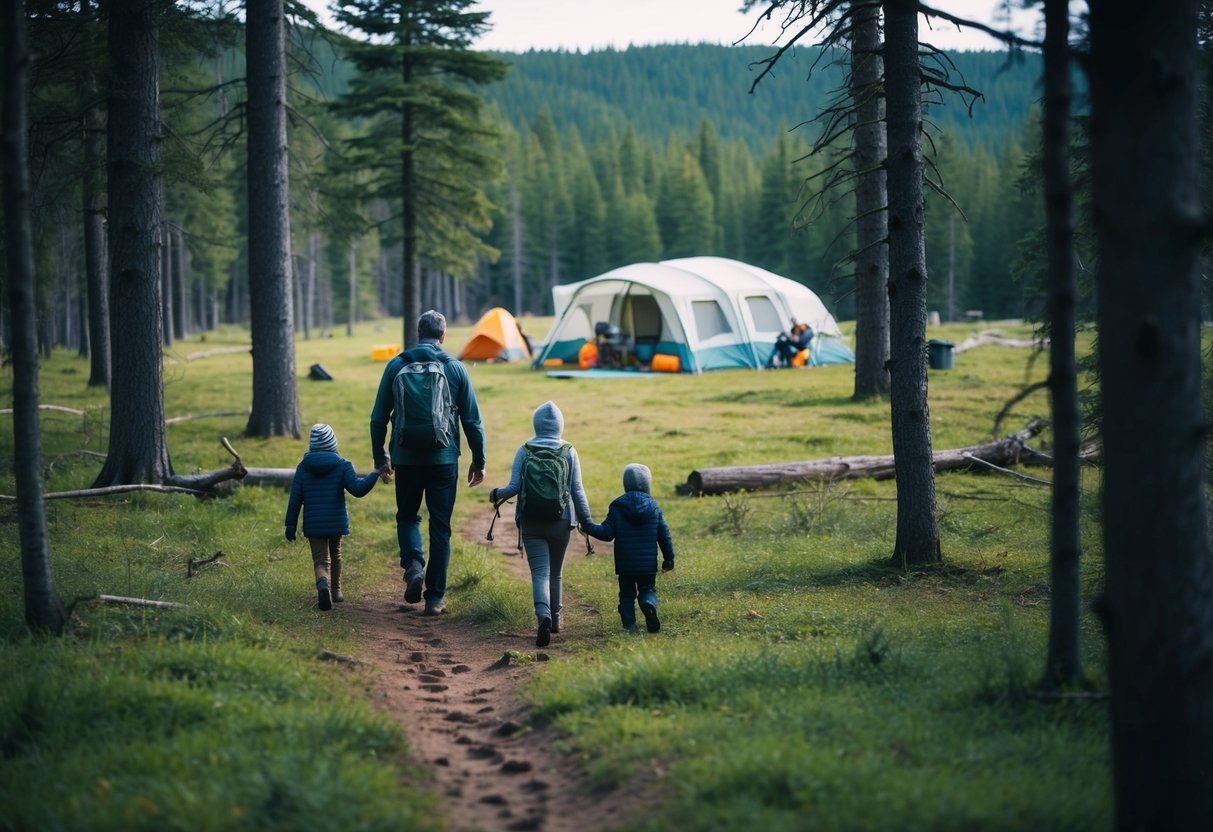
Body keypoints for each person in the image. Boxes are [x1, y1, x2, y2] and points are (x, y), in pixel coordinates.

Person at [371, 310, 487, 616]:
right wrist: (479, 460)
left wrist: (381, 456)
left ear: (417, 333)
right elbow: (473, 421)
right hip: (444, 459)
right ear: (443, 336)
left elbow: (377, 418)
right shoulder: (455, 368)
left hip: (405, 458)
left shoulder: (397, 365)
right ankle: (435, 598)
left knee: (408, 516)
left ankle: (413, 567)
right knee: (441, 527)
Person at [488, 401, 593, 647]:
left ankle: (542, 615)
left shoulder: (524, 449)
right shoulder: (569, 450)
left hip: (531, 520)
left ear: (536, 424)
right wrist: (586, 521)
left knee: (539, 573)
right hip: (561, 521)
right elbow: (577, 490)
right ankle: (555, 621)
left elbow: (513, 488)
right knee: (555, 573)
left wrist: (495, 493)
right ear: (560, 426)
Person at [285, 424, 380, 611]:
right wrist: (374, 474)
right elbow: (358, 489)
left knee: (321, 560)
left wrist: (290, 524)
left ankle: (323, 585)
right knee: (335, 555)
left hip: (314, 524)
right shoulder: (343, 465)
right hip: (336, 522)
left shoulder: (303, 468)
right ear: (333, 443)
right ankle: (336, 592)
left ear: (312, 445)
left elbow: (295, 498)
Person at [580, 463, 674, 633]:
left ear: (626, 484)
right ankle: (648, 605)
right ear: (648, 484)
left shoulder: (617, 506)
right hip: (647, 565)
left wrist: (588, 527)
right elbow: (664, 535)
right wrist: (669, 558)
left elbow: (607, 533)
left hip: (625, 564)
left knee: (626, 596)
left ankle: (629, 626)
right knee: (647, 589)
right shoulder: (654, 507)